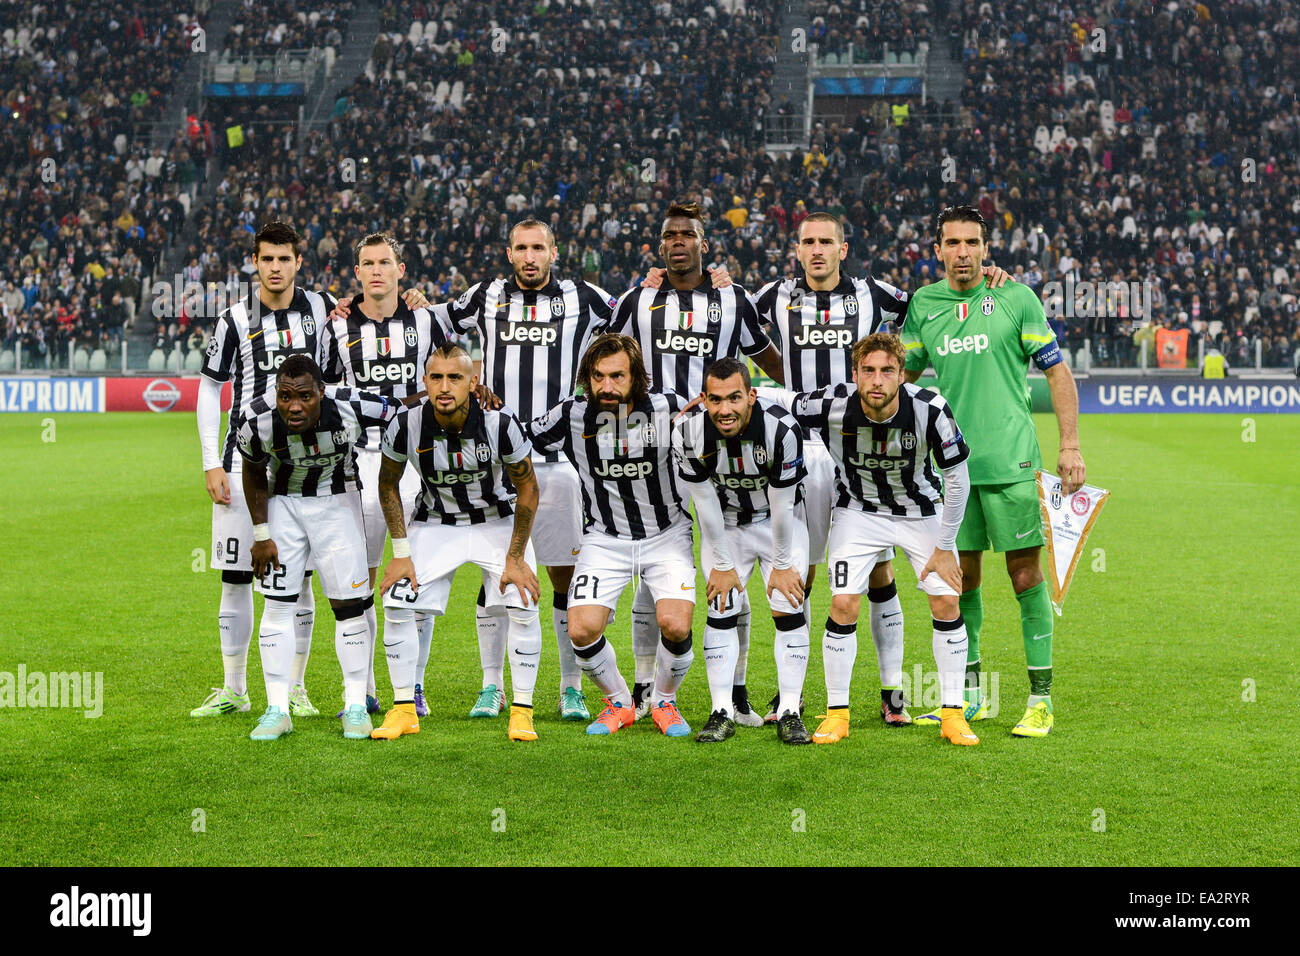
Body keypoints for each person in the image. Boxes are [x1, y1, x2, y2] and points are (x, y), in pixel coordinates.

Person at [901, 205, 1086, 738]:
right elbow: (903, 382)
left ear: (987, 248)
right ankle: (971, 698)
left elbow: (1058, 373)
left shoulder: (1015, 298)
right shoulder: (924, 305)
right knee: (962, 580)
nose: (962, 253)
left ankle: (1041, 700)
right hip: (954, 471)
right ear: (937, 250)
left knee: (1026, 576)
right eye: (952, 243)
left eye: (972, 243)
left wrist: (1069, 446)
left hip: (1013, 464)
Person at [613, 199, 784, 726]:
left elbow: (770, 358)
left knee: (725, 563)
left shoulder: (733, 299)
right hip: (653, 446)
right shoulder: (638, 299)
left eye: (689, 233)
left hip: (720, 449)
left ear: (704, 244)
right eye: (671, 235)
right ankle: (645, 686)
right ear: (661, 245)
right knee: (651, 567)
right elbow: (603, 359)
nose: (679, 241)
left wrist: (781, 399)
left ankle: (735, 693)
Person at [441, 218, 617, 723]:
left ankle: (570, 687)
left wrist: (651, 287)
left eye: (538, 247)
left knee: (565, 577)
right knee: (498, 576)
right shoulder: (485, 295)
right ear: (509, 251)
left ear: (554, 251)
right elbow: (434, 326)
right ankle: (491, 686)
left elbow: (629, 319)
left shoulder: (583, 297)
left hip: (560, 462)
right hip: (496, 462)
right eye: (520, 247)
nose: (529, 256)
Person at [765, 333, 979, 746]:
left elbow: (958, 480)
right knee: (844, 602)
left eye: (886, 371)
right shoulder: (832, 404)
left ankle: (953, 714)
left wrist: (945, 546)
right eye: (868, 371)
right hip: (858, 512)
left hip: (920, 512)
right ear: (855, 374)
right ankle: (837, 714)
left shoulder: (930, 409)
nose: (876, 380)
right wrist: (723, 396)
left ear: (901, 374)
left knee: (946, 598)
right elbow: (778, 398)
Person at [192, 221, 334, 720]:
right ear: (255, 262)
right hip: (243, 462)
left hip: (306, 467)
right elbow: (210, 387)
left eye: (284, 258)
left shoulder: (321, 309)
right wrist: (213, 461)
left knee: (302, 580)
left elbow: (338, 376)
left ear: (299, 262)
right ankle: (234, 688)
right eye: (266, 258)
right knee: (234, 575)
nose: (275, 267)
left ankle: (295, 687)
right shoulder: (233, 318)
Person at [373, 344, 543, 742]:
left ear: (473, 382)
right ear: (425, 382)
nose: (444, 386)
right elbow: (387, 483)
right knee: (397, 599)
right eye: (436, 377)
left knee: (522, 601)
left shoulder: (501, 423)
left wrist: (515, 556)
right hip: (436, 522)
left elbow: (528, 488)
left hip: (496, 522)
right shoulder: (406, 423)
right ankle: (403, 710)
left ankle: (521, 710)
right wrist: (400, 553)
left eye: (455, 377)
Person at [529, 334, 696, 738]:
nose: (607, 386)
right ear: (587, 377)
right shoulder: (570, 414)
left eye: (617, 376)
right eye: (598, 376)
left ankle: (664, 701)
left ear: (636, 375)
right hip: (604, 539)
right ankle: (620, 702)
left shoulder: (669, 407)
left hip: (666, 535)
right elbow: (518, 438)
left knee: (674, 624)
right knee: (581, 629)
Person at [237, 355, 398, 740]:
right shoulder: (255, 418)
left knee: (349, 607)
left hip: (337, 502)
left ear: (322, 393)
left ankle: (356, 706)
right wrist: (261, 535)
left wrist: (465, 394)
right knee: (277, 607)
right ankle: (277, 710)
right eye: (285, 396)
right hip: (284, 504)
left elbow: (406, 409)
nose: (294, 406)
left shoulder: (350, 404)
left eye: (305, 397)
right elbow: (253, 471)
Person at [319, 233, 445, 717]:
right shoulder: (337, 328)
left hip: (413, 462)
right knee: (363, 578)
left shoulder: (424, 319)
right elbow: (324, 392)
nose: (376, 270)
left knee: (415, 574)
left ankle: (412, 684)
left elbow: (448, 377)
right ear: (357, 273)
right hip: (355, 465)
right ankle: (367, 685)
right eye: (367, 263)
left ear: (400, 270)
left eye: (384, 262)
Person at [671, 358, 814, 745]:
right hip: (728, 523)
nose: (725, 409)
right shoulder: (687, 432)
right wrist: (721, 564)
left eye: (734, 398)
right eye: (715, 400)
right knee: (721, 606)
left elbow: (784, 506)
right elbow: (704, 504)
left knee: (788, 602)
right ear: (703, 399)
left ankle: (789, 710)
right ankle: (722, 711)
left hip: (777, 522)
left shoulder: (781, 429)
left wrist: (783, 566)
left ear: (751, 394)